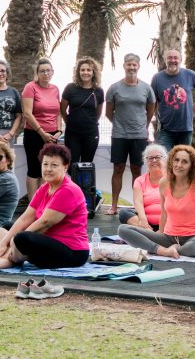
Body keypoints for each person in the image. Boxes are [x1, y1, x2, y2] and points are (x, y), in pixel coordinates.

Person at [0, 144, 89, 270]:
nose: (48, 169)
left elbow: (44, 223)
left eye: (54, 165)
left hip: (73, 252)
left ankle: (6, 261)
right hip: (47, 241)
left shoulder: (68, 190)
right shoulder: (45, 188)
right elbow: (25, 218)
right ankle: (11, 257)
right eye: (45, 164)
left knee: (21, 238)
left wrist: (14, 241)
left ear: (65, 167)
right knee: (5, 227)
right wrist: (4, 242)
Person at [117, 145, 195, 258]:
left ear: (191, 166)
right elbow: (164, 214)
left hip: (194, 237)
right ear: (171, 162)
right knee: (123, 229)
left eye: (184, 162)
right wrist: (159, 234)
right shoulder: (164, 182)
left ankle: (177, 249)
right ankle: (163, 251)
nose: (179, 165)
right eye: (176, 160)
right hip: (169, 237)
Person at [105, 53, 156, 214]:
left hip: (139, 136)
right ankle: (113, 205)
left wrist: (143, 126)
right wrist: (120, 124)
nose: (131, 67)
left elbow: (151, 110)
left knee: (136, 170)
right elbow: (108, 112)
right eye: (129, 64)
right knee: (118, 169)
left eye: (134, 65)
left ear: (138, 66)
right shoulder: (114, 88)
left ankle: (137, 205)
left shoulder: (146, 88)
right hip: (119, 135)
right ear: (124, 66)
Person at [22, 58, 62, 198]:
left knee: (48, 170)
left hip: (52, 136)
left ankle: (44, 203)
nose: (46, 73)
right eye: (42, 71)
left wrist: (59, 131)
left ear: (52, 72)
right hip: (34, 133)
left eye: (48, 70)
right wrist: (41, 132)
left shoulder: (55, 89)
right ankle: (33, 205)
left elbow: (58, 112)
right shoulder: (30, 87)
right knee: (34, 170)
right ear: (37, 73)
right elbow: (27, 113)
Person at [151, 48, 195, 149]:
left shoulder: (189, 74)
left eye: (176, 58)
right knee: (164, 160)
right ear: (165, 60)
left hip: (185, 129)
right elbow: (152, 102)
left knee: (183, 161)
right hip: (165, 130)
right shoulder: (157, 78)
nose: (172, 60)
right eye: (169, 58)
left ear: (180, 60)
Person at [61, 56, 105, 164]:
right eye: (82, 70)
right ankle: (75, 182)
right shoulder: (70, 88)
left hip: (91, 133)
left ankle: (85, 182)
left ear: (93, 72)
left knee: (87, 165)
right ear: (78, 72)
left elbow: (98, 113)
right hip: (72, 134)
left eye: (89, 70)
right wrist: (70, 122)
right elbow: (62, 110)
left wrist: (89, 122)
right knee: (72, 166)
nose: (86, 72)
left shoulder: (99, 91)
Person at [117, 144, 168, 231]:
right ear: (146, 161)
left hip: (168, 222)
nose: (154, 160)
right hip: (147, 224)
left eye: (158, 157)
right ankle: (149, 232)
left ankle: (154, 234)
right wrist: (143, 219)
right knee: (123, 213)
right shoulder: (140, 180)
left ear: (165, 160)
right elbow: (138, 202)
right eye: (150, 158)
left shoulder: (171, 179)